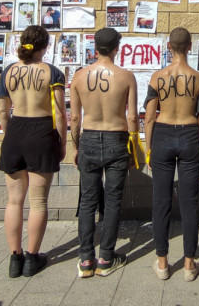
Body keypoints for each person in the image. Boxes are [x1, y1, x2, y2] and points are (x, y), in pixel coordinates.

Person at [0, 25, 67, 278]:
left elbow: (3, 112)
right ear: (45, 47)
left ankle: (14, 258)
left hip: (15, 131)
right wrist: (62, 142)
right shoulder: (52, 72)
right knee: (38, 203)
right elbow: (60, 113)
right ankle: (31, 257)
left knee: (14, 200)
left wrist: (11, 136)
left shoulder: (8, 72)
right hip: (41, 131)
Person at [144, 27, 199, 282]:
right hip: (190, 134)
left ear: (169, 46)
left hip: (162, 134)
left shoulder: (157, 76)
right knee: (189, 201)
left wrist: (149, 149)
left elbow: (149, 116)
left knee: (161, 200)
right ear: (190, 46)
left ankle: (162, 263)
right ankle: (189, 264)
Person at [70, 27, 136, 279]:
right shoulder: (126, 76)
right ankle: (106, 257)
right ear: (117, 47)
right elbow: (132, 117)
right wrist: (133, 150)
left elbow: (75, 117)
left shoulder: (79, 76)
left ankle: (85, 260)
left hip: (89, 137)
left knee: (87, 201)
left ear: (95, 48)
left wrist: (76, 146)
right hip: (116, 138)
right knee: (112, 201)